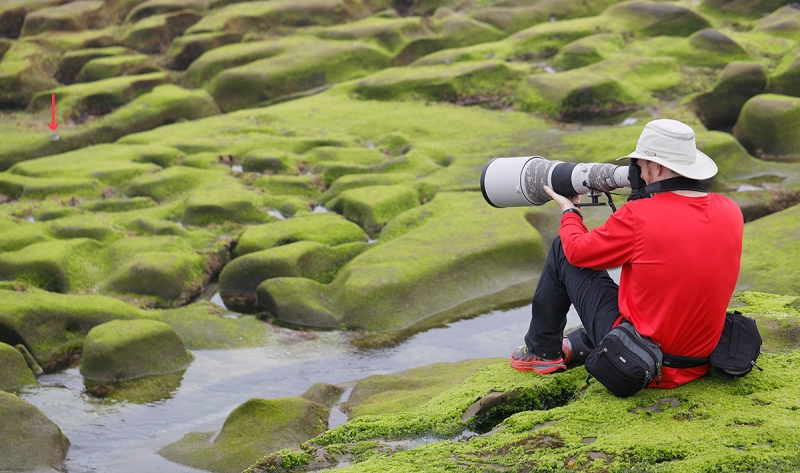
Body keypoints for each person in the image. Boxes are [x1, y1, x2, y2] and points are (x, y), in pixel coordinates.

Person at [509, 119, 744, 389]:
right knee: (649, 295)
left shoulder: (639, 216)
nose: (639, 174)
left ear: (657, 167)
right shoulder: (730, 209)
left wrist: (570, 212)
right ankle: (576, 346)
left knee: (562, 248)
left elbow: (577, 252)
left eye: (641, 166)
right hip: (699, 361)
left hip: (643, 363)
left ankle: (542, 352)